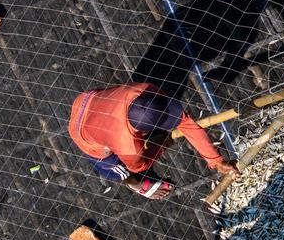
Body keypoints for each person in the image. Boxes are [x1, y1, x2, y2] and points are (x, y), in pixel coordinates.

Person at [68, 82, 238, 199]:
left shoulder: (144, 89)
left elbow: (186, 123)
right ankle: (134, 185)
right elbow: (140, 165)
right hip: (82, 134)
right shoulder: (128, 147)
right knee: (116, 168)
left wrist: (216, 161)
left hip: (86, 99)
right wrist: (163, 143)